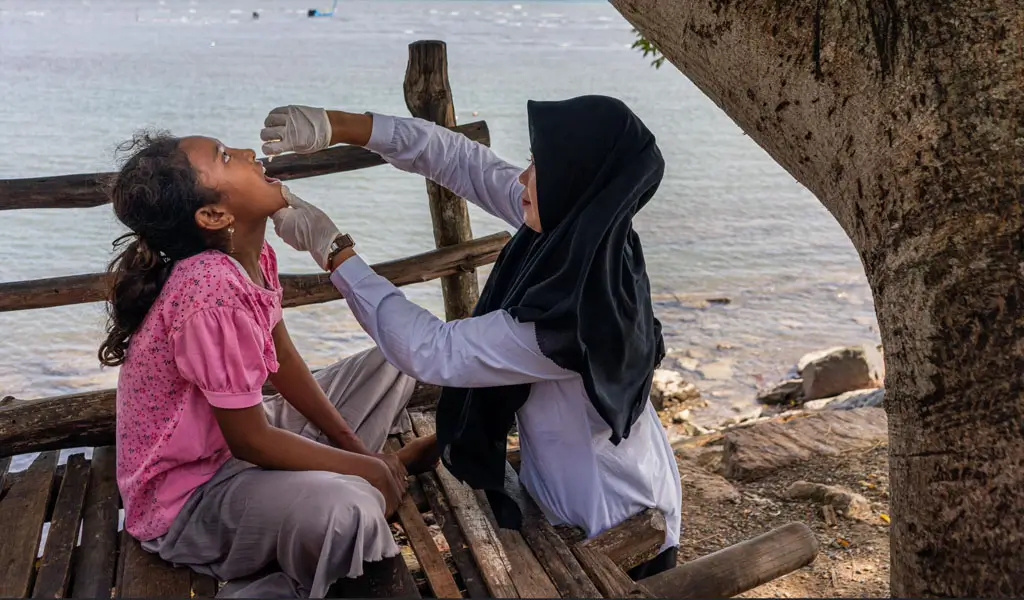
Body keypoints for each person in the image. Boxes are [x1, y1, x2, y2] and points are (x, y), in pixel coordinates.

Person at [262, 96, 683, 578]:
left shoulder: (572, 321)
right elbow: (459, 160)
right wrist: (337, 125)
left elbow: (432, 351)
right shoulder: (583, 234)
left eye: (539, 166)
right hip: (579, 485)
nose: (523, 178)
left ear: (578, 177)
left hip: (611, 524)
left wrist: (334, 251)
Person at [99, 132, 437, 598]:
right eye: (225, 157)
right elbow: (251, 441)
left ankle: (369, 470)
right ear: (214, 215)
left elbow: (282, 363)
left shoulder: (253, 258)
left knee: (398, 356)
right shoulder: (209, 289)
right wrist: (364, 472)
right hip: (189, 498)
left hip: (229, 444)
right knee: (348, 508)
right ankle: (367, 482)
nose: (247, 154)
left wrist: (354, 450)